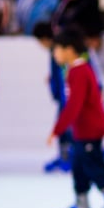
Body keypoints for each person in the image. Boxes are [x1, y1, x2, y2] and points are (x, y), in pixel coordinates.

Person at [49, 28, 104, 208]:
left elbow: (74, 105)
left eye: (56, 49)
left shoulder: (80, 71)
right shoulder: (74, 70)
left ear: (69, 49)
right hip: (82, 130)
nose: (54, 54)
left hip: (90, 130)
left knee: (94, 167)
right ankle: (82, 205)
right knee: (79, 168)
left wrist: (58, 129)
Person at [33, 22, 72, 173]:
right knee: (62, 126)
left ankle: (69, 157)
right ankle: (64, 156)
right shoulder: (54, 51)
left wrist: (63, 94)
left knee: (67, 127)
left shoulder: (60, 50)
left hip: (66, 98)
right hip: (61, 97)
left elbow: (65, 75)